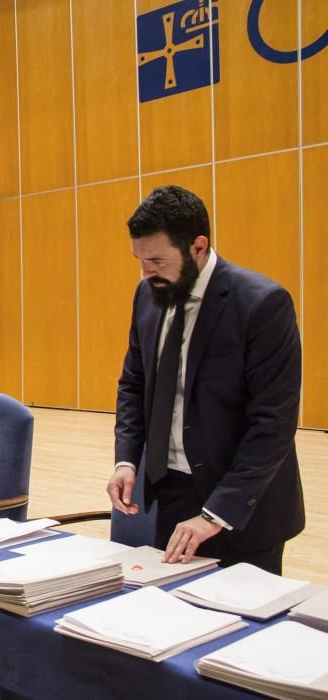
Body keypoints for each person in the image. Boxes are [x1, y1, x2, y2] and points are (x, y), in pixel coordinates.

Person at [107, 185, 304, 574]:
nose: (146, 273)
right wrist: (126, 459)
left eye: (158, 261)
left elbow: (273, 424)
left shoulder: (262, 304)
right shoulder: (146, 295)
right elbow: (134, 383)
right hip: (173, 494)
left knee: (243, 630)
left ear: (198, 247)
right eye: (140, 260)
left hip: (243, 508)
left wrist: (216, 513)